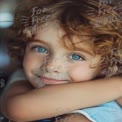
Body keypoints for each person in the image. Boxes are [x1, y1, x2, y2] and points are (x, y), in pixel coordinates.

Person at [1, 0, 122, 121]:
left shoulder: (106, 109)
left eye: (76, 56)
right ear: (24, 46)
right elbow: (18, 108)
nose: (50, 66)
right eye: (40, 48)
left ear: (106, 65)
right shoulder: (23, 77)